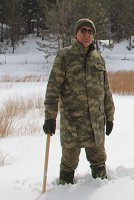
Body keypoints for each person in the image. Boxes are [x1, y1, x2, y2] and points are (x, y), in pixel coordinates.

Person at [43, 18, 115, 184]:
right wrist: (50, 116)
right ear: (76, 33)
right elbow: (53, 88)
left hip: (95, 123)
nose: (87, 35)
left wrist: (110, 116)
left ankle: (103, 192)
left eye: (90, 32)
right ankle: (63, 192)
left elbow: (106, 90)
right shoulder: (65, 56)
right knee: (69, 163)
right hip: (73, 123)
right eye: (83, 30)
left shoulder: (98, 59)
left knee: (98, 160)